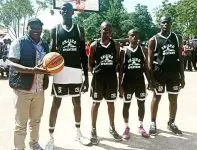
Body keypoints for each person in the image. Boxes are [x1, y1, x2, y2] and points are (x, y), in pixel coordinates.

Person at [45, 2, 90, 149]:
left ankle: (78, 133)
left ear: (72, 12)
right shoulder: (55, 30)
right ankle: (51, 138)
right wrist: (47, 75)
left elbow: (83, 55)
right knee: (56, 104)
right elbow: (51, 53)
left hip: (76, 71)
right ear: (60, 12)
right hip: (61, 72)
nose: (65, 11)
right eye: (63, 9)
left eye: (68, 9)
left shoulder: (79, 29)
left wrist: (87, 77)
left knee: (77, 103)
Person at [8, 18, 49, 150]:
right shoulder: (19, 42)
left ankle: (34, 143)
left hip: (39, 90)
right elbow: (12, 64)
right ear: (27, 28)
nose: (36, 30)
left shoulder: (45, 45)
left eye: (39, 27)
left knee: (36, 121)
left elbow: (48, 63)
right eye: (33, 27)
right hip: (22, 90)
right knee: (21, 123)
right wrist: (31, 70)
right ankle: (19, 147)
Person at [148, 14, 185, 136]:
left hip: (174, 74)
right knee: (156, 97)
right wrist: (151, 80)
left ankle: (171, 122)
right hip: (160, 73)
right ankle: (153, 122)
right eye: (163, 22)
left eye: (167, 22)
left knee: (173, 99)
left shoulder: (177, 37)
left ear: (171, 23)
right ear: (159, 24)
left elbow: (180, 57)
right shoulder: (153, 39)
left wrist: (182, 76)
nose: (165, 24)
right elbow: (149, 63)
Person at [89, 21, 122, 145]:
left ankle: (112, 127)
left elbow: (118, 61)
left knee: (111, 103)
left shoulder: (116, 45)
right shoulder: (94, 45)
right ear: (100, 30)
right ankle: (93, 129)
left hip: (111, 79)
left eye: (109, 29)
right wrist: (96, 73)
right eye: (105, 29)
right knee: (96, 103)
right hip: (98, 78)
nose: (107, 31)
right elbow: (90, 64)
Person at [118, 29, 151, 140]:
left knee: (141, 104)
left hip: (140, 82)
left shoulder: (143, 50)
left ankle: (140, 126)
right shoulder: (124, 51)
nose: (135, 37)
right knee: (126, 105)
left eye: (137, 36)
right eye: (132, 35)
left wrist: (150, 81)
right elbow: (121, 70)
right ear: (128, 37)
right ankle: (126, 127)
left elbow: (145, 68)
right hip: (127, 83)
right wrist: (120, 86)